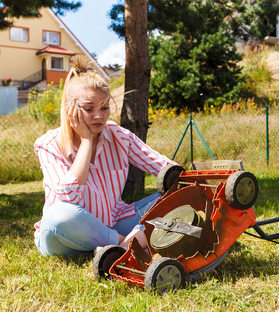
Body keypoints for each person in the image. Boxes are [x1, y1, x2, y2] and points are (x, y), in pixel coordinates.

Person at [33, 55, 177, 257]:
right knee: (59, 214)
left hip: (116, 222)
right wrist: (86, 141)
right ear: (69, 109)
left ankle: (120, 248)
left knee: (178, 195)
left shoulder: (119, 136)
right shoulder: (48, 145)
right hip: (65, 236)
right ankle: (130, 244)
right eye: (89, 109)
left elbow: (167, 169)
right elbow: (68, 198)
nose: (99, 116)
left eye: (104, 107)